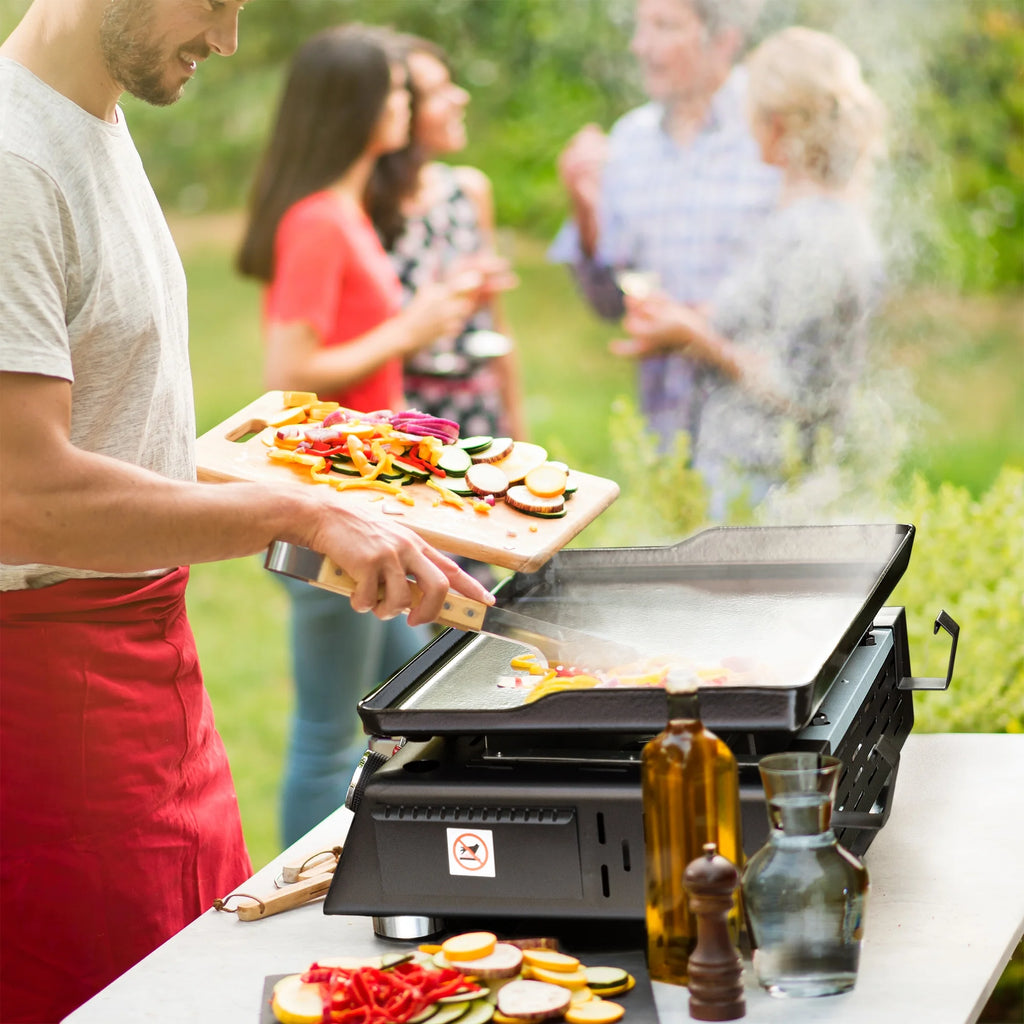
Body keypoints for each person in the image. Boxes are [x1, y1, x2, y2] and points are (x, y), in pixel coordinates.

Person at [0, 4, 493, 1021]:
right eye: (214, 1)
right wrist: (301, 517)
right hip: (49, 704)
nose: (227, 39)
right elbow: (25, 497)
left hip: (149, 676)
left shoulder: (92, 123)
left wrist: (345, 497)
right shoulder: (11, 161)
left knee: (201, 985)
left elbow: (117, 438)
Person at [235, 26, 483, 846]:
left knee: (390, 716)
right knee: (327, 732)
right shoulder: (318, 221)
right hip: (324, 511)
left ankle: (373, 865)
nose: (409, 105)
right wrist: (411, 328)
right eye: (399, 92)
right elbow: (290, 368)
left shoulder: (344, 209)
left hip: (369, 508)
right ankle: (294, 890)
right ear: (358, 107)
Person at [620, 27, 888, 519]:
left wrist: (698, 338)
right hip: (743, 476)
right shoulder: (797, 212)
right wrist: (683, 319)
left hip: (771, 489)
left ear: (779, 125)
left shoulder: (822, 235)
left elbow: (804, 388)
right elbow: (765, 321)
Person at [550, 0, 780, 448]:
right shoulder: (629, 140)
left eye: (664, 26)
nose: (640, 46)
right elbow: (607, 305)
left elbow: (813, 295)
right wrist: (584, 207)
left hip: (768, 431)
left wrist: (699, 328)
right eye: (640, 27)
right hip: (664, 434)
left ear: (724, 39)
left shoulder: (773, 128)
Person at [372, 35, 527, 442]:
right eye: (437, 93)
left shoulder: (469, 191)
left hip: (476, 413)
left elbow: (498, 326)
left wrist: (520, 433)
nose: (460, 98)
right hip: (398, 420)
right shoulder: (362, 210)